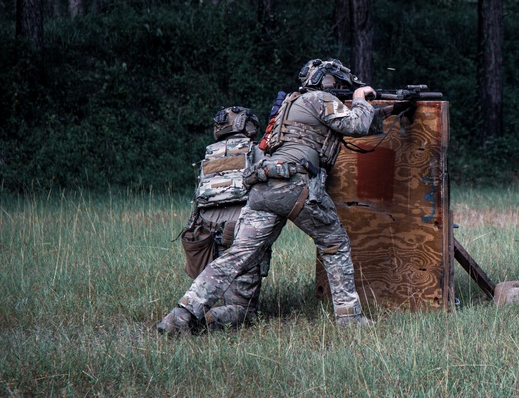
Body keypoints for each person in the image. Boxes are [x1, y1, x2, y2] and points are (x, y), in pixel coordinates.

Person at [157, 58, 410, 335]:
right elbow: (358, 126)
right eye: (340, 85)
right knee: (335, 243)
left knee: (237, 256)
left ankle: (180, 315)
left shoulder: (294, 103)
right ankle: (350, 320)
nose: (342, 90)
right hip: (295, 185)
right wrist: (361, 98)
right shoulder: (319, 99)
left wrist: (390, 109)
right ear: (328, 82)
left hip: (265, 186)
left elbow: (357, 124)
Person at [177, 105, 271, 331]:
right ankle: (192, 321)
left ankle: (193, 310)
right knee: (244, 312)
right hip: (238, 232)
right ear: (246, 125)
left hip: (205, 233)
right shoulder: (256, 151)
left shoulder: (210, 154)